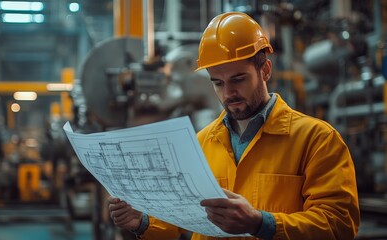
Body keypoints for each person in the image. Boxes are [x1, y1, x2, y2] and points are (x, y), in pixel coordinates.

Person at [108, 12, 360, 239]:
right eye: (218, 82)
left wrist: (262, 223)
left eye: (238, 79)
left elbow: (339, 224)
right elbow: (177, 221)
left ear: (265, 70)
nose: (228, 93)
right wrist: (141, 223)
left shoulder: (317, 139)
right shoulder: (200, 143)